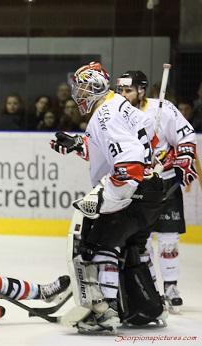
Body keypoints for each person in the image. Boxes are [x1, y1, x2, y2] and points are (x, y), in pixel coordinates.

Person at [50, 62, 165, 334]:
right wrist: (79, 145)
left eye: (83, 87)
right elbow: (143, 141)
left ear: (97, 86)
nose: (79, 93)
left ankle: (107, 313)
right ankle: (145, 306)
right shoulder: (120, 105)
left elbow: (129, 162)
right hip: (151, 190)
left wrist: (108, 194)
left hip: (132, 191)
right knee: (131, 250)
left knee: (98, 247)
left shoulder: (104, 115)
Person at [116, 70, 198, 313]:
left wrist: (183, 159)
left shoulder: (163, 109)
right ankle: (151, 288)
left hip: (166, 182)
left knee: (168, 239)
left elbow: (186, 135)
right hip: (139, 185)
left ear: (141, 90)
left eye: (128, 90)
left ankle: (171, 287)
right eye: (120, 90)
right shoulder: (117, 114)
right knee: (140, 243)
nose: (123, 94)